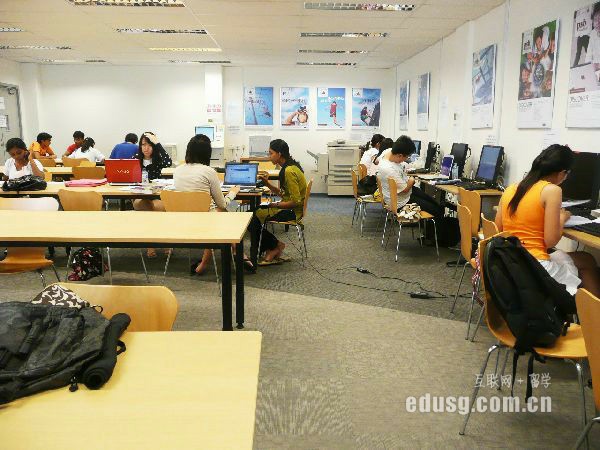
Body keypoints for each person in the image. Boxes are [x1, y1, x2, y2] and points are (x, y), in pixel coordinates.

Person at [495, 144, 600, 298]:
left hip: (511, 261)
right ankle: (590, 311)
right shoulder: (552, 190)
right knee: (588, 261)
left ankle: (585, 308)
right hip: (535, 267)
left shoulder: (511, 188)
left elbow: (498, 229)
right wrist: (562, 218)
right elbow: (550, 241)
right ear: (562, 173)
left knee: (586, 258)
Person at [173, 134, 243, 274]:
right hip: (206, 220)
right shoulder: (209, 171)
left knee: (219, 213)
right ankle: (234, 249)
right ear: (207, 153)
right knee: (235, 205)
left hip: (181, 220)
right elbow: (222, 204)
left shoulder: (178, 170)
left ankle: (233, 247)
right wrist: (233, 192)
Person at [248, 139, 307, 267]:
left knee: (250, 218)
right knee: (251, 215)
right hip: (290, 208)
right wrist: (268, 184)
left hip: (292, 212)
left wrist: (273, 205)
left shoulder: (289, 171)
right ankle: (273, 246)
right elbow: (285, 194)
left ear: (279, 154)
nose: (269, 156)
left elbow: (295, 202)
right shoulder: (290, 166)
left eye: (271, 153)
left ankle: (273, 247)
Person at [377, 136, 443, 219]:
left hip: (401, 195)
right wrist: (412, 179)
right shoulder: (389, 169)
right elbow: (405, 189)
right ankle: (434, 225)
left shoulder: (388, 152)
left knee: (435, 203)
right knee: (437, 210)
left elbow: (377, 160)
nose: (406, 159)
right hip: (400, 201)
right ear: (400, 155)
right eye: (406, 157)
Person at [132, 132, 173, 258]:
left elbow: (168, 162)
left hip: (157, 196)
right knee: (146, 207)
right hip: (141, 196)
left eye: (150, 145)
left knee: (157, 208)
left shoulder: (159, 159)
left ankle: (164, 241)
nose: (146, 148)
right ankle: (151, 244)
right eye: (143, 144)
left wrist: (158, 144)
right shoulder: (135, 159)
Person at [586, 4, 600, 74]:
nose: (598, 23)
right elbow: (589, 54)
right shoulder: (593, 33)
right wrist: (587, 68)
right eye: (595, 19)